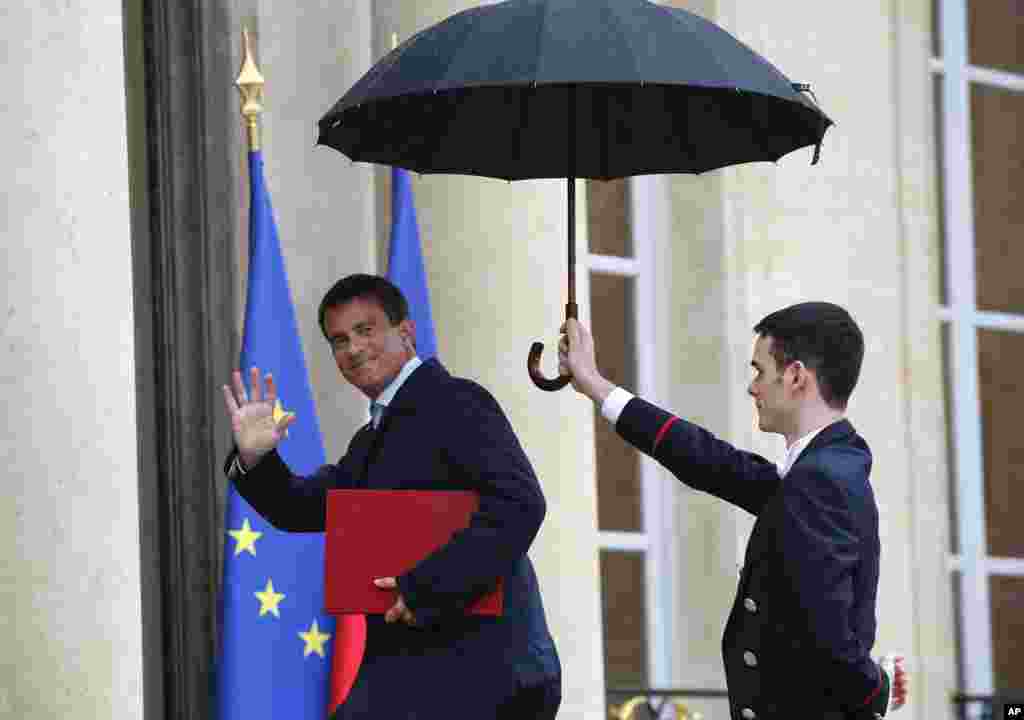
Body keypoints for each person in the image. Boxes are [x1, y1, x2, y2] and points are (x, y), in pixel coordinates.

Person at [221, 274, 561, 719]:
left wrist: (425, 588)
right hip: (407, 675)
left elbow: (520, 504)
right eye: (339, 340)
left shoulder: (456, 401)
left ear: (406, 331)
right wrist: (256, 458)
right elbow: (302, 507)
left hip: (482, 673)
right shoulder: (373, 437)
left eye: (366, 330)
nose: (354, 349)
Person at [558, 302, 907, 720]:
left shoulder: (818, 481)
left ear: (796, 376)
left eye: (760, 370)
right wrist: (596, 386)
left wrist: (876, 691)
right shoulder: (822, 469)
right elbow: (710, 461)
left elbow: (827, 633)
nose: (752, 386)